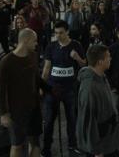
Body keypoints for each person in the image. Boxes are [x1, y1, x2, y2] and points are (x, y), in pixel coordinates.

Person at [41, 20, 86, 157]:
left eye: (61, 33)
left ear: (67, 32)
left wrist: (76, 57)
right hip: (53, 89)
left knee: (72, 119)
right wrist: (42, 86)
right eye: (56, 33)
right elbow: (47, 68)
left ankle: (72, 145)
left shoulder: (76, 45)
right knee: (48, 120)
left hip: (70, 89)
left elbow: (84, 64)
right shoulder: (51, 47)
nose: (58, 35)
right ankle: (46, 148)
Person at [0, 28, 44, 157]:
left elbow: (37, 78)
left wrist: (50, 90)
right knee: (17, 145)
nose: (36, 44)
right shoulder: (6, 62)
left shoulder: (33, 55)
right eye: (35, 41)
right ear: (26, 40)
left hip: (34, 108)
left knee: (35, 142)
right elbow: (0, 90)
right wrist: (3, 113)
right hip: (16, 111)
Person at [76, 44, 119, 157]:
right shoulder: (90, 87)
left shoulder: (101, 77)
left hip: (109, 142)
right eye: (108, 57)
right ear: (100, 61)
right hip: (100, 147)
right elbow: (88, 120)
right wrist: (96, 150)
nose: (110, 59)